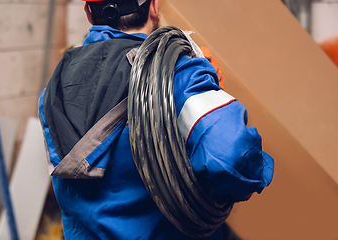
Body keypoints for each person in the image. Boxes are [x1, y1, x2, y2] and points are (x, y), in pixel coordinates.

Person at [38, 0, 274, 239]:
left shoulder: (54, 90)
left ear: (89, 13)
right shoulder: (179, 76)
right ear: (153, 7)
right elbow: (232, 156)